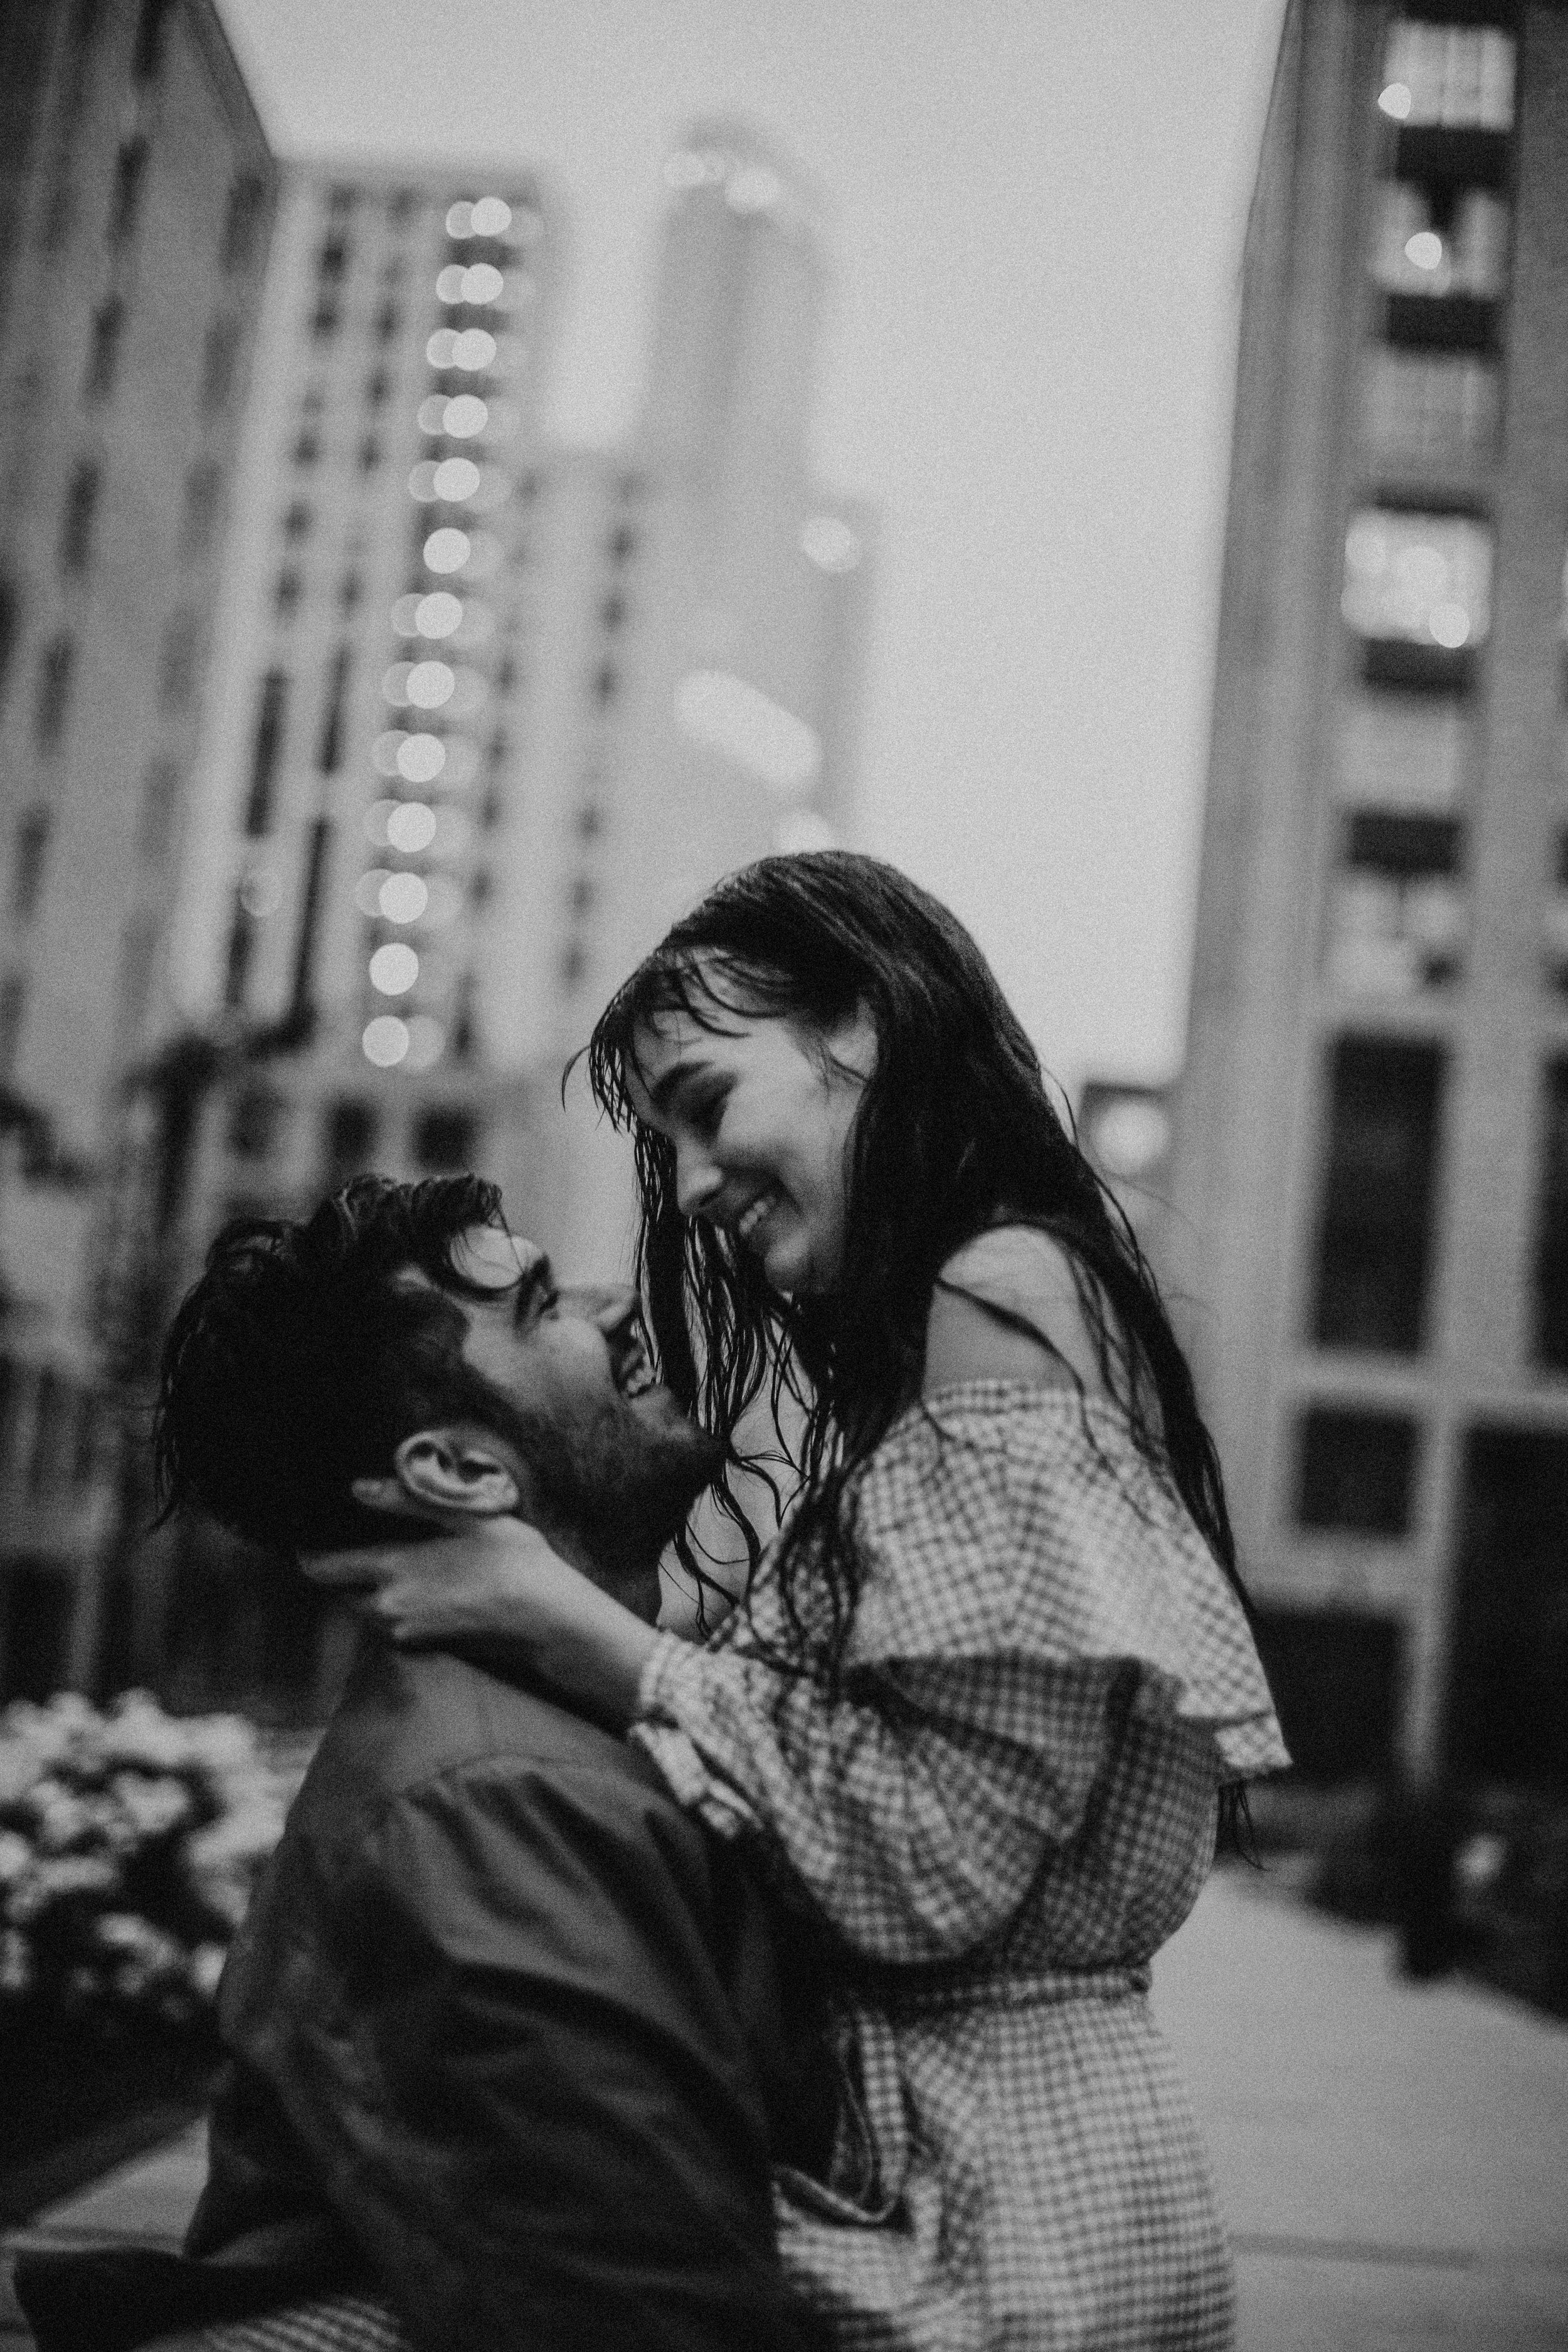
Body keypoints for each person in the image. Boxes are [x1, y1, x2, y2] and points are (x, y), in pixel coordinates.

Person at [313, 851, 1292, 2352]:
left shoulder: (996, 1294)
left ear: (871, 1029)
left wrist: (573, 1631)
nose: (694, 1186)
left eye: (707, 1103)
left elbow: (931, 1856)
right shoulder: (979, 1316)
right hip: (1012, 2188)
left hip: (985, 2224)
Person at [16, 1173, 830, 2352]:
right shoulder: (492, 1800)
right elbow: (645, 2311)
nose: (616, 1305)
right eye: (544, 1304)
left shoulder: (556, 1722)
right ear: (456, 1471)